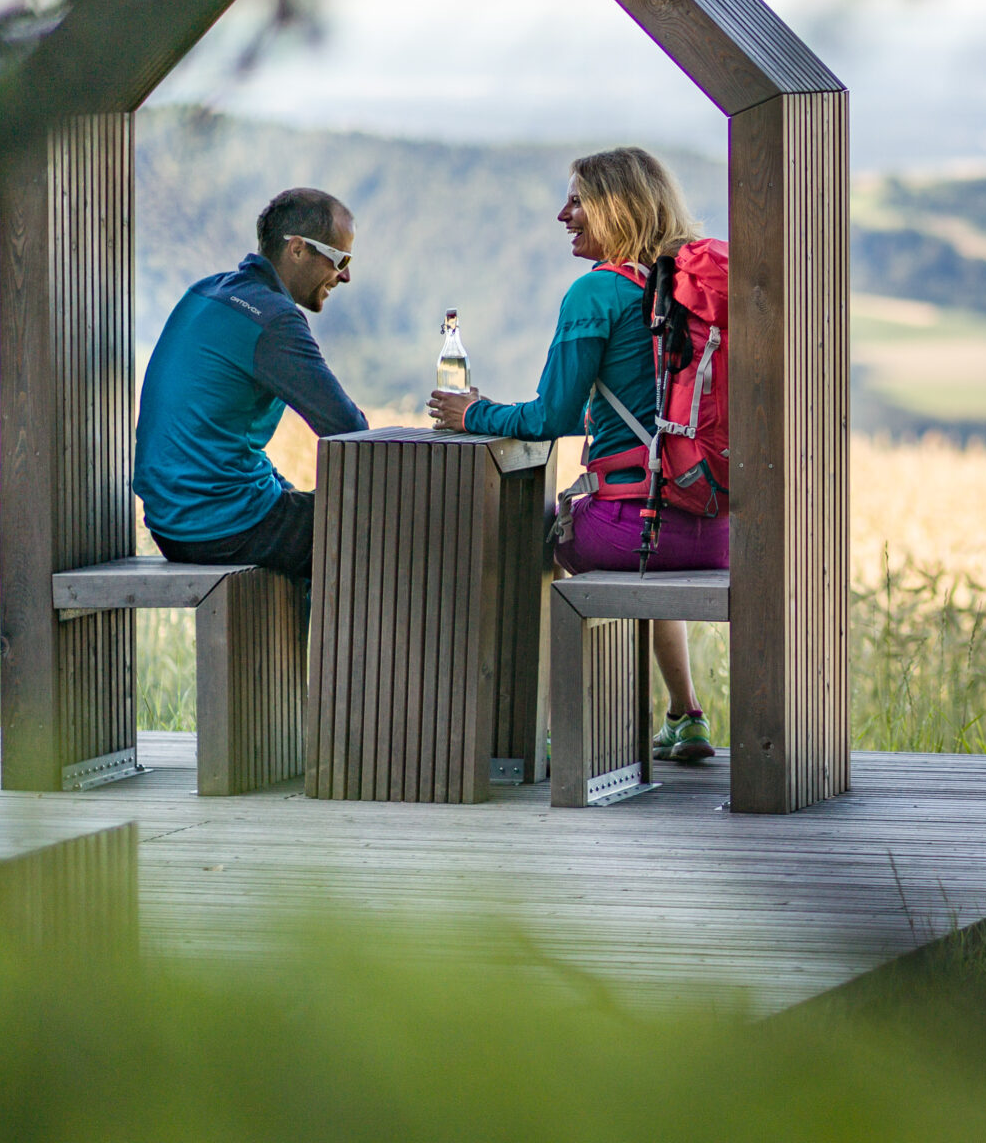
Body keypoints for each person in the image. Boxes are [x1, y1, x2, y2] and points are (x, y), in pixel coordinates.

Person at [429, 147, 727, 765]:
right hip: (716, 531)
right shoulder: (690, 291)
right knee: (643, 529)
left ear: (615, 207)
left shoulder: (596, 294)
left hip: (630, 534)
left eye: (577, 202)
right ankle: (685, 713)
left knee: (536, 542)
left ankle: (560, 729)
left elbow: (550, 418)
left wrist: (472, 415)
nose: (562, 215)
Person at [134, 188, 368, 582]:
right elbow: (349, 429)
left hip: (170, 523)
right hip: (220, 525)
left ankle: (309, 644)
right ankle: (357, 647)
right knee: (377, 528)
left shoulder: (208, 290)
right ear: (297, 249)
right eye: (339, 259)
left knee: (313, 516)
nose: (345, 275)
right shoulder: (273, 319)